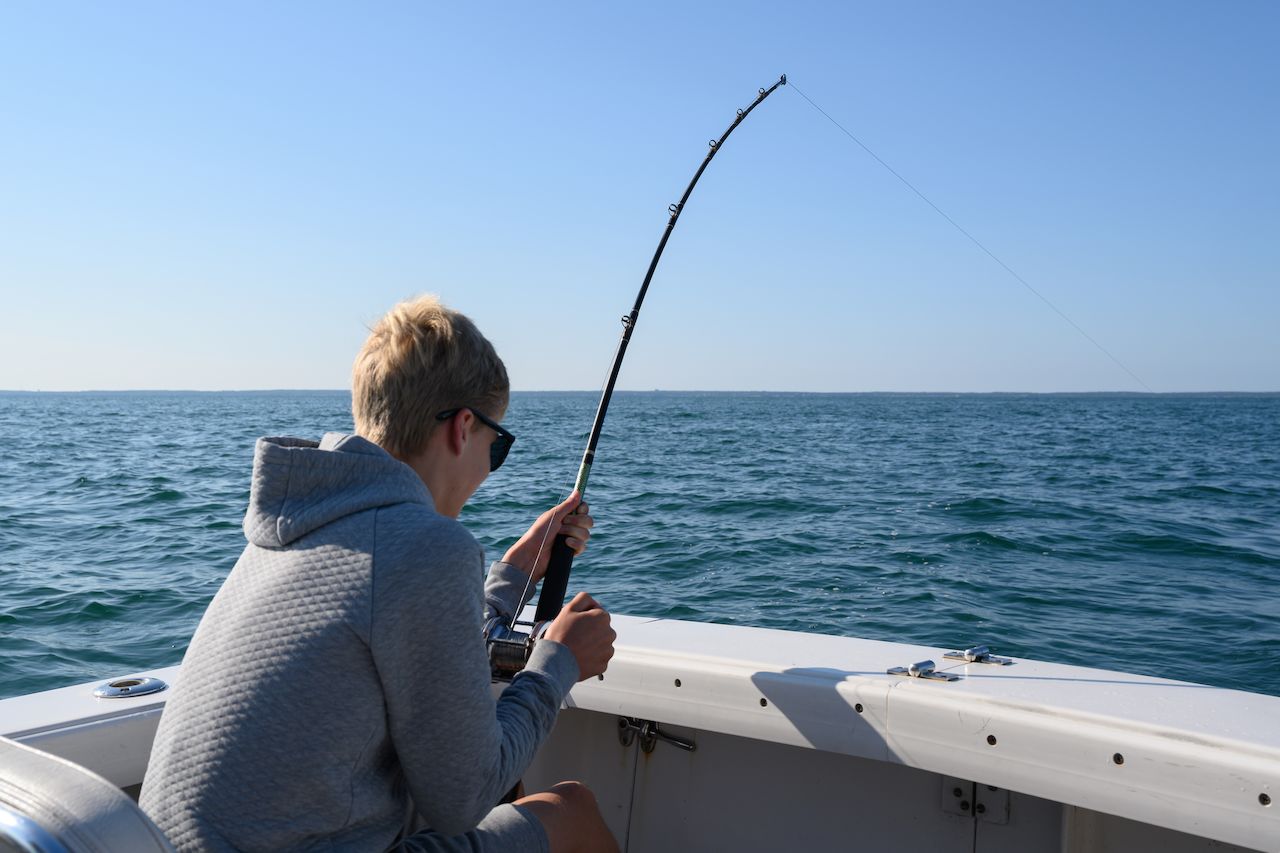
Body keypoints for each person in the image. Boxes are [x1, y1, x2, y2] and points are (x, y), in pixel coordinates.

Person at [140, 295, 619, 853]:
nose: (490, 467)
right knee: (572, 811)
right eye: (498, 446)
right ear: (463, 428)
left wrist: (522, 564)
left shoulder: (299, 524)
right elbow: (465, 799)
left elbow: (400, 624)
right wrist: (556, 663)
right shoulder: (427, 548)